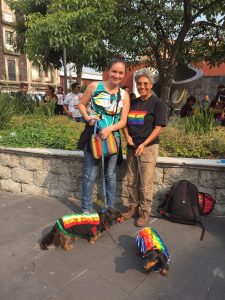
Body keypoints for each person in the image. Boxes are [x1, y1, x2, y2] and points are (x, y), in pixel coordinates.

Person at [78, 58, 130, 213]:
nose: (117, 75)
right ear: (109, 71)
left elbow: (123, 121)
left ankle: (108, 209)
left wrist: (109, 129)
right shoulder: (95, 86)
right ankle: (86, 210)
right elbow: (82, 104)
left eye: (121, 73)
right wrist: (88, 118)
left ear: (124, 74)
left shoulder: (124, 95)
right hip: (94, 138)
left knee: (110, 175)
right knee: (90, 174)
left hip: (113, 140)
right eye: (114, 71)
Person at [122, 68, 166, 227]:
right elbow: (124, 123)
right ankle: (132, 207)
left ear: (151, 84)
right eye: (139, 83)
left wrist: (144, 144)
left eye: (145, 83)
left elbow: (158, 127)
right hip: (132, 146)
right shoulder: (132, 102)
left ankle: (145, 211)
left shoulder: (157, 103)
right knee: (132, 179)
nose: (142, 86)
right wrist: (127, 137)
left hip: (148, 147)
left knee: (145, 182)